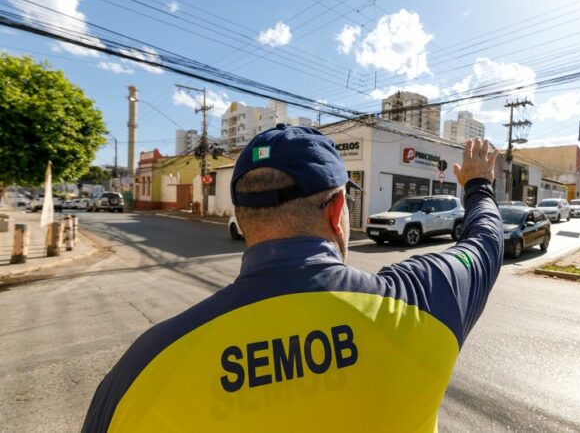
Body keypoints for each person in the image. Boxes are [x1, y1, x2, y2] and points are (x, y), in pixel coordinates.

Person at [82, 124, 503, 433]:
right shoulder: (419, 301)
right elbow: (485, 242)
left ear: (243, 219)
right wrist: (478, 185)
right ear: (338, 213)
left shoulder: (144, 369)